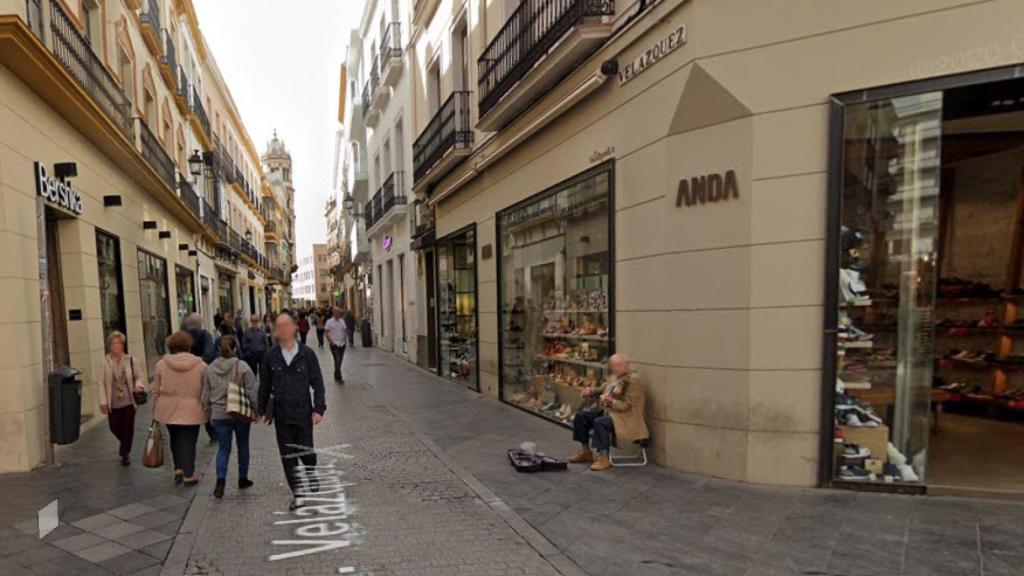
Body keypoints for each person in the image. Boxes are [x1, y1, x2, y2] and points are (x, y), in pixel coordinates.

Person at [258, 312, 326, 511]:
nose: (284, 329)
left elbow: (318, 384)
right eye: (280, 326)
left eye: (287, 325)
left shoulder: (307, 354)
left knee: (306, 451)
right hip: (282, 415)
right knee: (288, 456)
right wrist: (261, 409)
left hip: (303, 413)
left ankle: (311, 470)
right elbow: (264, 385)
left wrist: (319, 408)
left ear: (295, 327)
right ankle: (298, 493)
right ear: (276, 331)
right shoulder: (271, 356)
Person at [568, 353, 649, 472]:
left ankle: (603, 458)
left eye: (618, 365)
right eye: (613, 365)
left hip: (626, 417)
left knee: (600, 422)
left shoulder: (633, 380)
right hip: (609, 411)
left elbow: (627, 405)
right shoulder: (615, 376)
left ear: (626, 365)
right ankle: (586, 451)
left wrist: (611, 401)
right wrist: (591, 391)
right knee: (581, 416)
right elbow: (603, 389)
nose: (615, 368)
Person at [202, 335, 257, 498]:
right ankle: (242, 477)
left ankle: (220, 482)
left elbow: (205, 394)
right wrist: (256, 409)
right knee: (243, 445)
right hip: (239, 413)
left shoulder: (210, 368)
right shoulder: (243, 367)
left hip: (219, 414)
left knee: (223, 449)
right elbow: (252, 391)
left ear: (219, 349)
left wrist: (207, 411)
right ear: (234, 349)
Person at [153, 331, 208, 485]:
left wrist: (155, 408)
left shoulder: (161, 365)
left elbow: (156, 389)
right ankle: (189, 474)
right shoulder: (201, 366)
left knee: (175, 438)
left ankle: (178, 468)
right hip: (192, 407)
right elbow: (206, 389)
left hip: (168, 408)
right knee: (189, 440)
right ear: (188, 346)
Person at [97, 331, 146, 466]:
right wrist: (103, 401)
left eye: (117, 343)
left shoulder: (131, 360)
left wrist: (138, 386)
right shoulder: (105, 362)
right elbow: (101, 382)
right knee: (114, 427)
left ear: (122, 345)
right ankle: (124, 442)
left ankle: (125, 452)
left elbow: (139, 376)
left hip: (129, 401)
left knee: (128, 428)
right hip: (113, 401)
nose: (115, 346)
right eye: (112, 344)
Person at [324, 307, 348, 384]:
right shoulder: (329, 322)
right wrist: (331, 342)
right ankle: (339, 377)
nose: (339, 313)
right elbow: (326, 332)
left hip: (342, 344)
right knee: (337, 360)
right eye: (337, 312)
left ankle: (336, 375)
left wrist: (345, 340)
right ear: (334, 312)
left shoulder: (342, 321)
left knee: (339, 361)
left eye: (339, 312)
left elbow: (344, 330)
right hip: (334, 344)